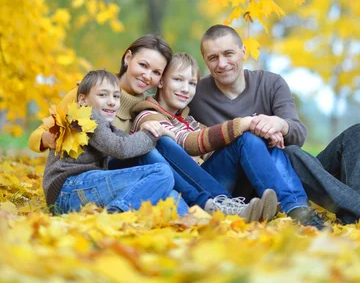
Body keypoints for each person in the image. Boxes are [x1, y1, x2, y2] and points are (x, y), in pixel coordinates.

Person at [32, 35, 275, 223]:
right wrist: (47, 137)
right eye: (143, 65)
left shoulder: (143, 106)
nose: (147, 75)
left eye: (156, 72)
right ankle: (216, 203)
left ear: (160, 79)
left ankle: (202, 218)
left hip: (112, 172)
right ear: (128, 58)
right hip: (83, 177)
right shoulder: (88, 96)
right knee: (158, 157)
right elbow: (45, 133)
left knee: (164, 182)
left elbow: (150, 138)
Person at [189, 24, 360, 225]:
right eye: (213, 57)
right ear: (205, 60)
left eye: (228, 54)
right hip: (250, 187)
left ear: (243, 52)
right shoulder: (194, 94)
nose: (222, 63)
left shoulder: (271, 83)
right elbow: (174, 122)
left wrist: (279, 124)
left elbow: (298, 133)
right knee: (286, 151)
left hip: (290, 173)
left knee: (359, 133)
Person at [132, 52, 316, 225]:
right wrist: (244, 123)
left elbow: (213, 151)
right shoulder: (148, 114)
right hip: (187, 192)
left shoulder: (191, 122)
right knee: (165, 141)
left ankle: (295, 209)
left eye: (192, 83)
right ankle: (229, 205)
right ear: (161, 82)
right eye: (178, 80)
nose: (185, 89)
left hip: (206, 182)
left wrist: (264, 130)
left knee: (250, 139)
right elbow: (187, 142)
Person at [43, 69, 189, 215]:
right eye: (102, 95)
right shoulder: (85, 117)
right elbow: (120, 148)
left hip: (80, 189)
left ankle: (189, 221)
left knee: (167, 192)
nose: (112, 102)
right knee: (162, 173)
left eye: (116, 96)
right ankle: (117, 213)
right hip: (68, 189)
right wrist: (152, 134)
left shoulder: (106, 127)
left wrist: (149, 131)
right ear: (82, 100)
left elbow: (125, 141)